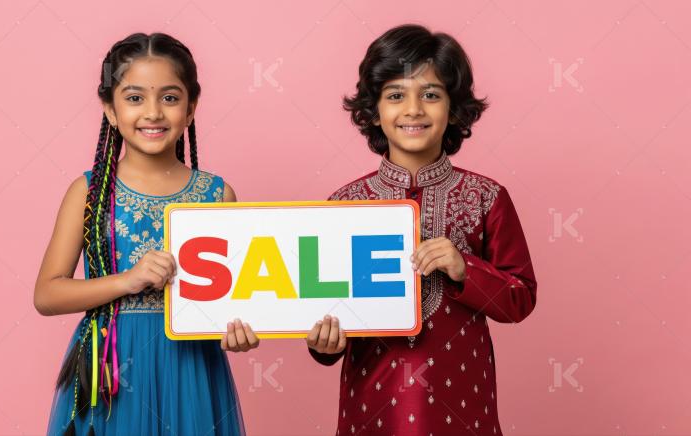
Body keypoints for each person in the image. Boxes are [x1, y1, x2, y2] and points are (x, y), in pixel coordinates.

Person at [306, 24, 537, 435]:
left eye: (430, 95)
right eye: (396, 95)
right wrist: (324, 346)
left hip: (464, 405)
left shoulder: (485, 197)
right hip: (373, 406)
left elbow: (520, 299)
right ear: (374, 110)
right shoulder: (344, 205)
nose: (413, 109)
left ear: (454, 108)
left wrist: (465, 268)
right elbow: (325, 313)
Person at [34, 32, 257, 436]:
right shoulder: (89, 192)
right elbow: (47, 295)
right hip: (111, 370)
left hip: (192, 369)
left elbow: (234, 299)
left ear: (191, 108)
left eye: (169, 98)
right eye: (135, 98)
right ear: (110, 109)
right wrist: (128, 280)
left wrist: (238, 331)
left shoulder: (217, 195)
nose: (153, 113)